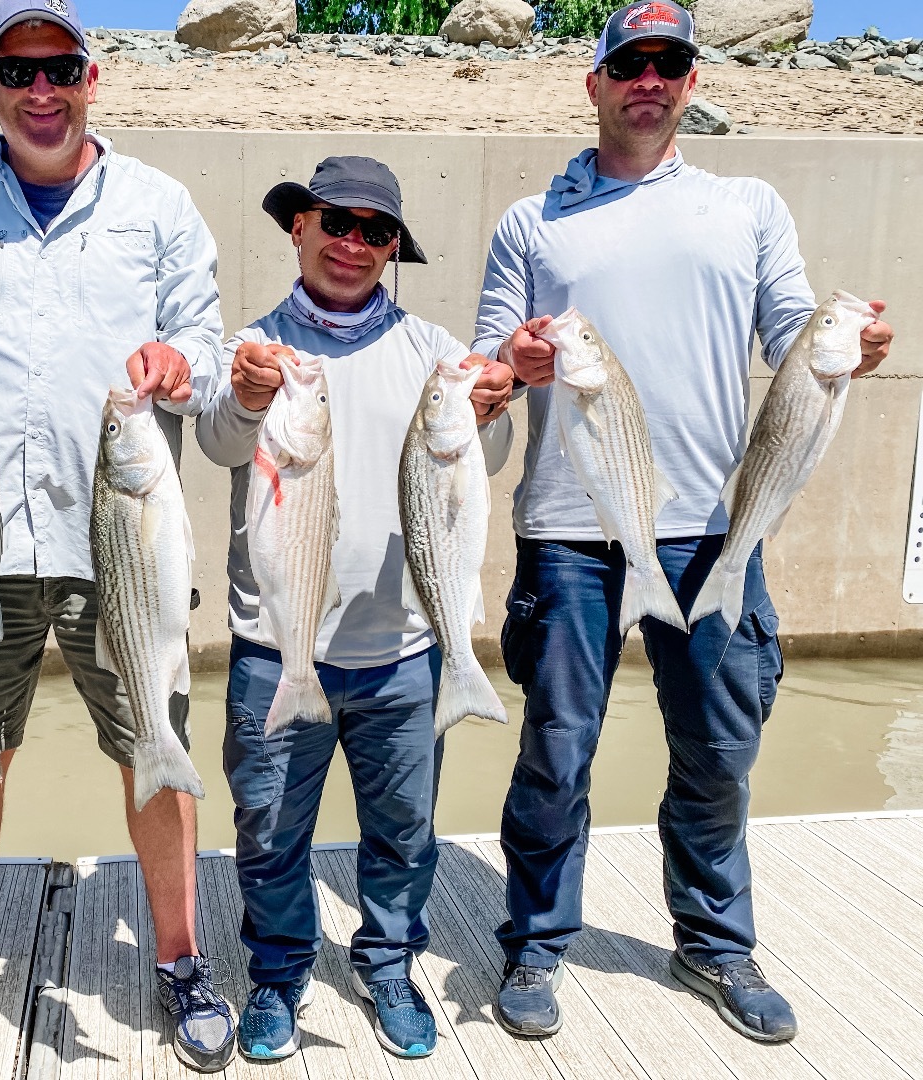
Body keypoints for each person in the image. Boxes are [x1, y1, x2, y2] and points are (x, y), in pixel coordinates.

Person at [472, 0, 895, 1045]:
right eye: (630, 63)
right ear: (597, 83)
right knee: (557, 749)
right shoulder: (534, 220)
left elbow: (798, 331)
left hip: (711, 529)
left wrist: (851, 344)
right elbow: (489, 359)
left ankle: (713, 941)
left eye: (668, 63)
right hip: (570, 532)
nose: (648, 80)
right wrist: (509, 365)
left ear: (692, 82)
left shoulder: (746, 205)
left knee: (717, 746)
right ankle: (536, 940)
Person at [0, 0, 235, 1072]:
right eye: (18, 69)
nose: (42, 90)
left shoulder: (159, 203)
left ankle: (179, 960)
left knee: (155, 755)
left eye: (61, 67)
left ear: (92, 77)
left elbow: (204, 338)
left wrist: (182, 363)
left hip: (119, 540)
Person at [195, 156, 514, 1062]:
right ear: (298, 227)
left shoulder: (435, 352)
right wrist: (251, 393)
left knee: (404, 832)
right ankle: (280, 973)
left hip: (406, 652)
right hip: (276, 646)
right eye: (336, 221)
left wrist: (493, 409)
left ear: (393, 251)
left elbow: (482, 466)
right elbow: (220, 438)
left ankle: (387, 965)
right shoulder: (252, 346)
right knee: (266, 828)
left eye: (376, 231)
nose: (353, 243)